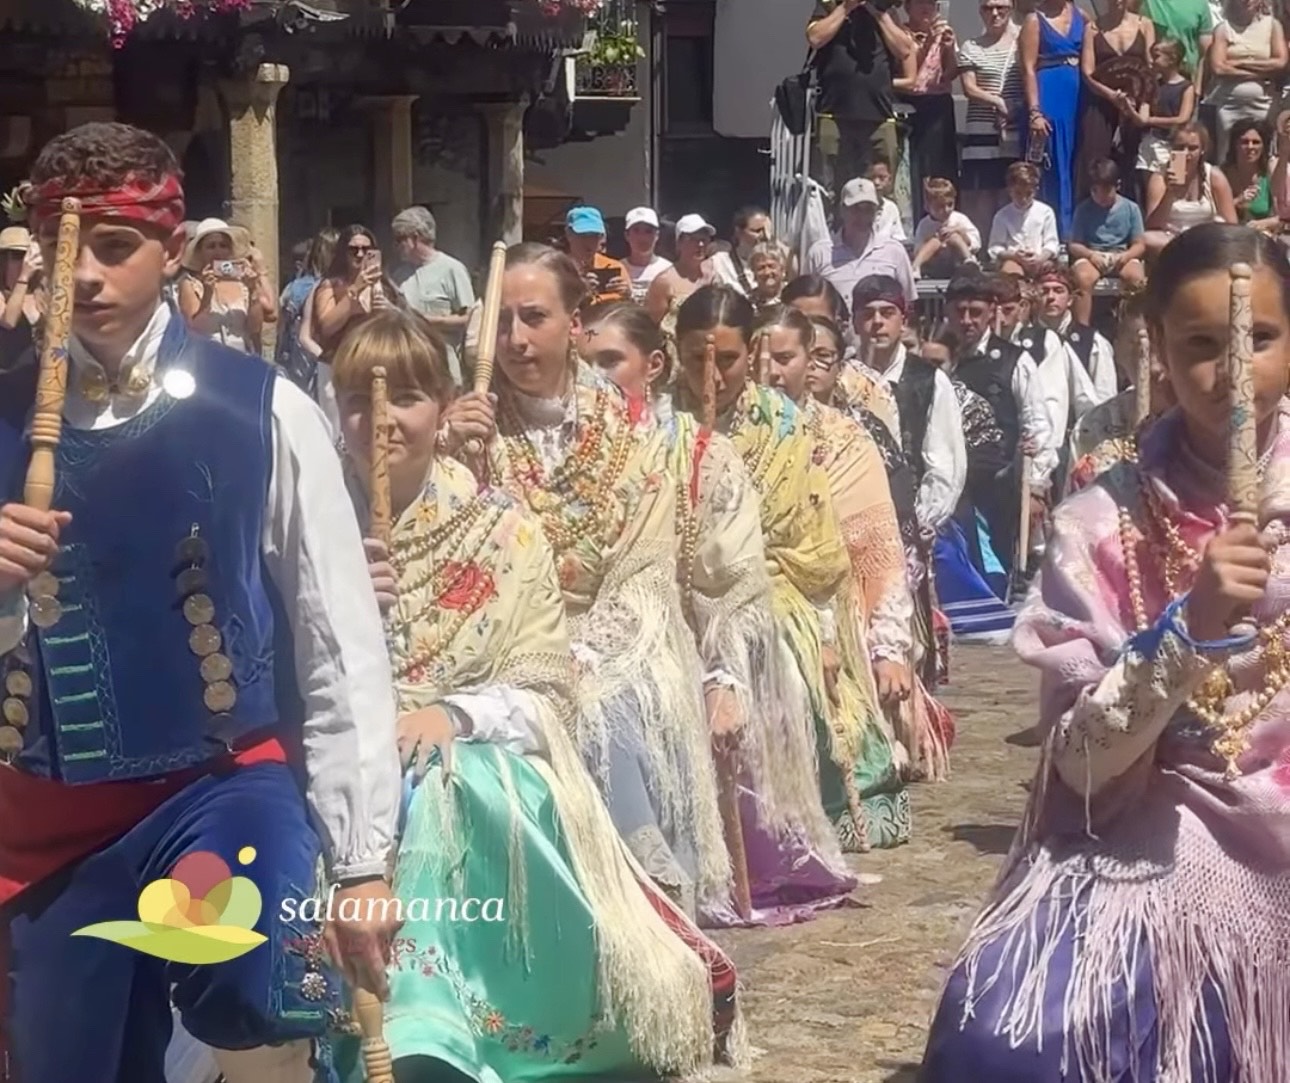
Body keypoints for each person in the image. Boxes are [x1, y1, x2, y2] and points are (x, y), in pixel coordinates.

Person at [0, 120, 400, 1083]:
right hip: (48, 818)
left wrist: (362, 859)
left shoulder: (260, 407)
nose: (86, 276)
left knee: (252, 978)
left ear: (172, 252)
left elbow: (338, 636)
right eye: (67, 250)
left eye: (114, 245)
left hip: (217, 785)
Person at [326, 308, 739, 1081]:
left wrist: (451, 713)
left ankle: (444, 1029)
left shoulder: (500, 528)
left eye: (405, 399)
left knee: (450, 790)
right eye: (356, 400)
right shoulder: (309, 524)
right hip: (339, 762)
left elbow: (546, 684)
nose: (378, 422)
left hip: (470, 765)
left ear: (445, 409)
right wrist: (335, 594)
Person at [921, 222, 1290, 1083]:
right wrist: (1185, 630)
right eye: (1199, 344)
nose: (1232, 371)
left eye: (1260, 340)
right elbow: (1080, 765)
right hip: (1148, 823)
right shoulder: (1099, 519)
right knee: (1002, 1035)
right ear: (1155, 346)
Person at [453, 243, 729, 918]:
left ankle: (650, 908)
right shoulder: (471, 428)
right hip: (500, 644)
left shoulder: (634, 430)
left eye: (535, 317)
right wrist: (445, 456)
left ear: (575, 325)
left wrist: (574, 659)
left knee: (605, 712)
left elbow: (642, 576)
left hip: (615, 644)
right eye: (503, 322)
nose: (516, 340)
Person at [583, 301, 855, 924]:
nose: (713, 371)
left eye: (726, 358)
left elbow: (739, 574)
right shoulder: (599, 444)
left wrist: (728, 671)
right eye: (586, 364)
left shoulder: (733, 442)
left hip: (729, 611)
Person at [761, 305, 945, 827]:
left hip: (834, 617)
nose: (774, 371)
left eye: (786, 358)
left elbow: (880, 554)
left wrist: (888, 652)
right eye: (763, 358)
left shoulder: (845, 442)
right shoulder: (722, 435)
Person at [943, 270, 1054, 579]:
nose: (967, 320)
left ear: (991, 312)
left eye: (975, 312)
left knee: (996, 576)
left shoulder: (1014, 361)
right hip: (946, 489)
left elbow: (1038, 426)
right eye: (959, 312)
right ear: (947, 312)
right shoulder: (935, 358)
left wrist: (1035, 489)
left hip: (998, 490)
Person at [851, 275, 966, 542]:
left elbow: (944, 463)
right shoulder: (842, 379)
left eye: (887, 313)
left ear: (902, 321)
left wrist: (919, 521)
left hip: (915, 528)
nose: (877, 322)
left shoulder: (928, 380)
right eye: (867, 314)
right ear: (854, 323)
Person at [807, 0, 914, 197]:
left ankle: (880, 226)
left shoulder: (886, 10)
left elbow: (905, 50)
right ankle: (833, 226)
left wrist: (878, 13)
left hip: (880, 116)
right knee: (830, 187)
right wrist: (846, 7)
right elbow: (815, 37)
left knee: (881, 186)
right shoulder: (830, 5)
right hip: (833, 114)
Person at [309, 224, 402, 437]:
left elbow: (404, 320)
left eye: (366, 249)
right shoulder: (330, 286)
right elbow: (326, 326)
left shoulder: (386, 285)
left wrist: (389, 309)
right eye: (353, 249)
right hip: (338, 364)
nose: (360, 254)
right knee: (338, 430)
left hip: (375, 362)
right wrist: (355, 291)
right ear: (343, 252)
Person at [957, 0, 1024, 233]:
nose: (994, 13)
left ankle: (1006, 245)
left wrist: (1016, 108)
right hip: (980, 132)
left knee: (1011, 190)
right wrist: (997, 101)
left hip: (1012, 132)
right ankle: (983, 250)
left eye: (1000, 7)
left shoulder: (1023, 42)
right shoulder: (971, 46)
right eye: (988, 8)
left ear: (1011, 8)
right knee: (981, 192)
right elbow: (969, 88)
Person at [1021, 0, 1086, 237]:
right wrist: (1035, 111)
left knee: (1076, 162)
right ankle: (1057, 232)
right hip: (1049, 92)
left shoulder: (1083, 16)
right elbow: (1027, 67)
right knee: (1053, 163)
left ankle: (1077, 232)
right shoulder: (1034, 20)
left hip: (1079, 95)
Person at [391, 206, 475, 387]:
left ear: (415, 237)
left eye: (400, 239)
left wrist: (426, 320)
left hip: (443, 369)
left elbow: (469, 319)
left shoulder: (452, 269)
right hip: (408, 368)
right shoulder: (399, 275)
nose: (396, 246)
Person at [1076, 0, 1153, 200]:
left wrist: (1138, 99)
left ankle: (1133, 212)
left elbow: (1150, 67)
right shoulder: (1092, 28)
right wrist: (1111, 95)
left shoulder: (1144, 24)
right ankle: (1092, 211)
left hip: (1135, 104)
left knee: (1133, 161)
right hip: (1100, 103)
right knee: (1095, 159)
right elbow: (1087, 73)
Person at [896, 0, 961, 217]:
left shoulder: (944, 31)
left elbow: (950, 73)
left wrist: (949, 49)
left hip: (939, 105)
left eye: (931, 4)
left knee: (941, 166)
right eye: (920, 3)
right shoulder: (901, 33)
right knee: (914, 167)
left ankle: (943, 216)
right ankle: (916, 219)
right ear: (907, 7)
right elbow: (912, 72)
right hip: (911, 105)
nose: (926, 8)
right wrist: (929, 42)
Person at [177, 217, 277, 355]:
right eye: (211, 246)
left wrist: (253, 289)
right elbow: (195, 328)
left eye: (223, 246)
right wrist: (207, 293)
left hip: (242, 358)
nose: (218, 251)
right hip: (206, 358)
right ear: (200, 252)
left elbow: (255, 328)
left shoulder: (242, 282)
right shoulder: (190, 284)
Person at [807, 178, 917, 304]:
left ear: (877, 212)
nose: (863, 216)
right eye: (856, 209)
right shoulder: (819, 253)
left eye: (868, 209)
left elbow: (909, 303)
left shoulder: (894, 252)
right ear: (842, 210)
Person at [1205, 0, 1287, 163]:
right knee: (1227, 155)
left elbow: (1281, 61)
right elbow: (1219, 68)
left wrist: (1239, 63)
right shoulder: (1223, 28)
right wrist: (1260, 75)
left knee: (1264, 155)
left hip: (1264, 103)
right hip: (1229, 105)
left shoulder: (1272, 25)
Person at [1068, 158, 1148, 323]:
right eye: (1095, 191)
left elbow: (1139, 244)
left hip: (1121, 254)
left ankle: (1134, 325)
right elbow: (1074, 244)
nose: (1101, 196)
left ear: (1117, 186)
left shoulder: (1131, 208)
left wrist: (1125, 257)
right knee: (1083, 278)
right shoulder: (1083, 209)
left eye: (1106, 190)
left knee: (1135, 278)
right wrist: (1091, 255)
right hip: (1093, 254)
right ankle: (1082, 328)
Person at [1143, 122, 1238, 257]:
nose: (1186, 153)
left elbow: (1232, 223)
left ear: (1202, 150)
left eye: (1192, 148)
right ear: (1172, 148)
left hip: (1205, 238)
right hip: (1171, 239)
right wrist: (1169, 194)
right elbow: (1152, 226)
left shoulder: (1214, 176)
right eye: (1180, 147)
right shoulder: (1159, 177)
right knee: (1147, 238)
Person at [1034, 262, 1117, 402]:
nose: (1050, 297)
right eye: (1044, 291)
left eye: (1058, 291)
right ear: (1035, 298)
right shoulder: (1023, 341)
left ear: (1070, 300)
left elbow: (1105, 394)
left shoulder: (1092, 342)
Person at [274, 225, 336, 394]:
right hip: (323, 359)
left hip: (300, 361)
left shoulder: (294, 288)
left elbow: (281, 326)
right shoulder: (309, 288)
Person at [1134, 38, 1196, 192]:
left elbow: (1182, 118)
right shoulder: (1151, 85)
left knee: (1173, 187)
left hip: (1173, 145)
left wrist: (1151, 120)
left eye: (1157, 56)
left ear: (1172, 58)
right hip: (1151, 142)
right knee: (1148, 189)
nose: (1152, 61)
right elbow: (1142, 117)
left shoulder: (1186, 87)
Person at [987, 161, 1059, 276]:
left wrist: (1041, 257)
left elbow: (1052, 243)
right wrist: (1014, 256)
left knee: (1051, 272)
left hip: (1040, 258)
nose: (1023, 199)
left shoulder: (1046, 212)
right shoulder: (1002, 215)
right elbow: (995, 247)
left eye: (1028, 193)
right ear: (1009, 190)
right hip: (1014, 259)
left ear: (1036, 190)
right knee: (1012, 273)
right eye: (1018, 193)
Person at [646, 214, 717, 328]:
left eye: (704, 239)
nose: (700, 244)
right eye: (693, 239)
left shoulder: (713, 276)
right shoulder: (664, 281)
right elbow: (651, 326)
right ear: (679, 243)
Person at [912, 178, 982, 279]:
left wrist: (960, 232)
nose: (946, 210)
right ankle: (915, 267)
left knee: (953, 236)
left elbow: (976, 244)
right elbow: (917, 249)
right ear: (927, 206)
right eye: (939, 206)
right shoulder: (924, 224)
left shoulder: (959, 219)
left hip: (958, 263)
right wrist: (932, 242)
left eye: (950, 204)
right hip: (935, 265)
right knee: (934, 241)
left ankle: (969, 262)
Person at [563, 205, 631, 306]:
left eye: (594, 236)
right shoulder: (558, 269)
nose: (589, 242)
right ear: (569, 234)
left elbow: (628, 310)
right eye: (583, 235)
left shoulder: (614, 267)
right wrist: (579, 294)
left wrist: (627, 294)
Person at [1223, 117, 1282, 233]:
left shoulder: (1270, 170)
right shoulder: (1222, 173)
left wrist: (1260, 224)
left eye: (1256, 142)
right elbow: (1213, 214)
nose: (1250, 147)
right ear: (1235, 145)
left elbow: (1283, 217)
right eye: (1245, 142)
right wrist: (1237, 201)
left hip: (1263, 236)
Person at [1142, 0, 1213, 87]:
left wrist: (1198, 86)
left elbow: (1206, 52)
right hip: (1152, 78)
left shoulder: (1200, 4)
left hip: (1187, 78)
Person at [0, 227, 42, 371]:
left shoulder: (40, 292)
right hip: (7, 382)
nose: (24, 261)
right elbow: (9, 321)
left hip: (38, 381)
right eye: (17, 256)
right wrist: (24, 276)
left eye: (26, 255)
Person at [707, 206, 773, 296]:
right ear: (739, 231)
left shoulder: (776, 260)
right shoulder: (720, 262)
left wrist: (773, 239)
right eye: (757, 231)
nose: (764, 236)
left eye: (765, 231)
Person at [623, 206, 672, 303]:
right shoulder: (618, 268)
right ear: (627, 235)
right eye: (636, 231)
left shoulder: (668, 269)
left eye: (648, 231)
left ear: (657, 235)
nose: (642, 237)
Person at [868, 156, 907, 241]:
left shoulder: (891, 208)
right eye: (872, 178)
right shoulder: (857, 208)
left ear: (889, 179)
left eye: (882, 178)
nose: (876, 182)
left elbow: (898, 238)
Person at [748, 241, 788, 312]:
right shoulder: (747, 302)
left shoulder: (793, 297)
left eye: (771, 266)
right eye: (761, 268)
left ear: (782, 268)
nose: (767, 272)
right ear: (753, 272)